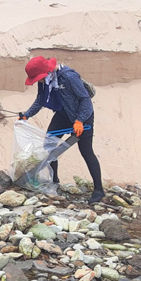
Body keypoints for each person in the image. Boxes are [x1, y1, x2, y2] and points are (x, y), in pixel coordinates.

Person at [19, 56, 105, 204]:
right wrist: (27, 115)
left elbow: (85, 99)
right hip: (62, 115)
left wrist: (79, 120)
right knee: (49, 145)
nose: (37, 81)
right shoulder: (45, 81)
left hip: (82, 116)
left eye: (37, 78)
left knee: (86, 151)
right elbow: (40, 100)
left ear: (46, 72)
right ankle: (54, 182)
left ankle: (99, 190)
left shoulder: (69, 77)